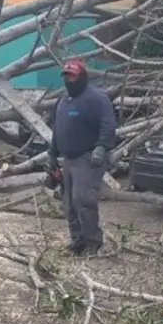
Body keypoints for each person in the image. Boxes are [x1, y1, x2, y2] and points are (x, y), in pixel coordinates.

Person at [47, 58, 116, 256]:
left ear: (82, 77)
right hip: (68, 158)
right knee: (69, 202)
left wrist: (102, 147)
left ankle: (92, 242)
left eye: (72, 76)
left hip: (88, 157)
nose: (69, 80)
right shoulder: (63, 99)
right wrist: (52, 153)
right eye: (66, 76)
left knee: (83, 199)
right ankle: (77, 240)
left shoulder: (97, 98)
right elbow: (57, 128)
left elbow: (108, 124)